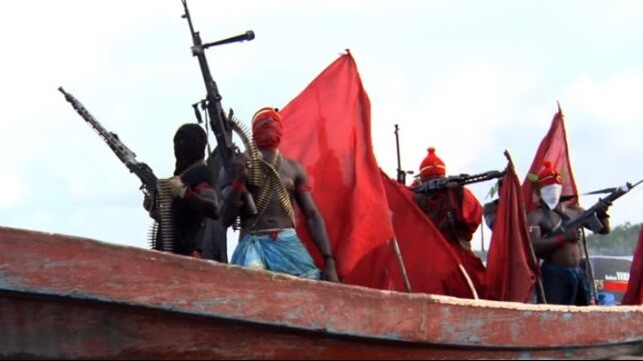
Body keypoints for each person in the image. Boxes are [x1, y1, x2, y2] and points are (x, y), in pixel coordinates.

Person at [219, 107, 339, 282]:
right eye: (263, 123)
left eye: (273, 122)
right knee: (253, 292)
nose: (269, 125)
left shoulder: (293, 169)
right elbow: (225, 218)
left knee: (308, 289)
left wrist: (329, 261)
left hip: (287, 242)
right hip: (252, 244)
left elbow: (312, 216)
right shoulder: (238, 165)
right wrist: (239, 180)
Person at [527, 160, 611, 306]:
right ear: (540, 191)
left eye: (555, 187)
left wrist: (602, 214)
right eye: (548, 188)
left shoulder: (576, 212)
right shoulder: (535, 216)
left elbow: (603, 230)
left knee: (582, 316)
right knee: (555, 316)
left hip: (578, 273)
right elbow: (534, 246)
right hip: (554, 274)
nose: (552, 191)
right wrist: (562, 238)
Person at [412, 147, 486, 294]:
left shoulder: (455, 191)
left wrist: (459, 194)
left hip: (457, 262)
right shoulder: (413, 194)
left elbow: (473, 219)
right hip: (426, 264)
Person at [143, 123, 220, 258]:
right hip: (167, 255)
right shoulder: (182, 177)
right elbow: (177, 222)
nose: (179, 146)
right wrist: (154, 210)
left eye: (184, 141)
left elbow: (213, 208)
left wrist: (184, 192)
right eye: (177, 142)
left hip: (183, 259)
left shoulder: (199, 173)